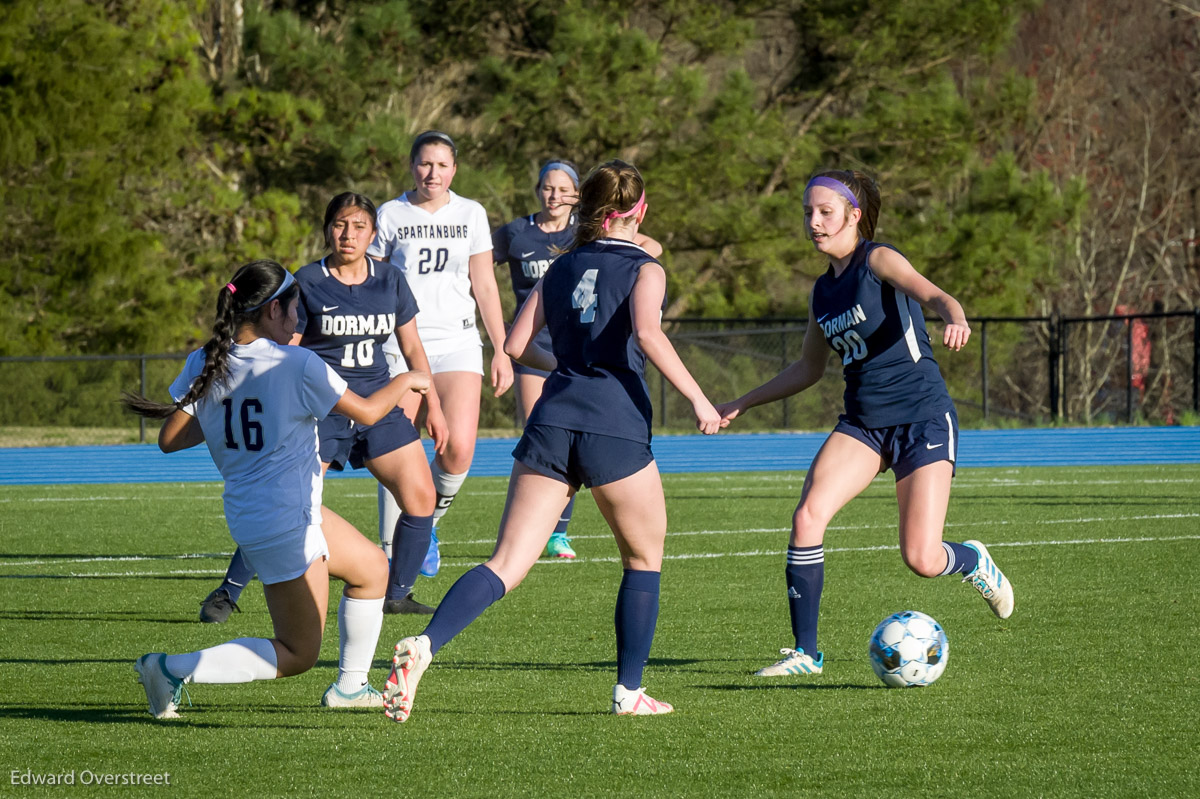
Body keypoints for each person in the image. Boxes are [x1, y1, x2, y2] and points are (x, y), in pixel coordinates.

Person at [381, 159, 725, 723]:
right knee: (642, 558)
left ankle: (426, 644)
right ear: (639, 211)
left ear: (586, 209)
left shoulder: (560, 267)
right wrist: (699, 399)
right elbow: (646, 333)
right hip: (614, 422)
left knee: (507, 562)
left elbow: (516, 346)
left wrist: (566, 362)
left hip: (552, 418)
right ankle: (628, 692)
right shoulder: (647, 268)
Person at [715, 170, 1015, 678]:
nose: (814, 221)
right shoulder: (822, 291)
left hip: (920, 415)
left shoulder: (878, 259)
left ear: (854, 215)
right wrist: (743, 402)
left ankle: (973, 561)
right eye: (808, 212)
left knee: (921, 557)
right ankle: (805, 655)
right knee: (807, 517)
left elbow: (936, 295)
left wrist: (955, 317)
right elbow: (809, 369)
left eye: (825, 212)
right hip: (864, 423)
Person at [123, 260, 431, 718]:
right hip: (285, 520)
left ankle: (350, 687)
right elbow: (366, 413)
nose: (298, 319)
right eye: (294, 309)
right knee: (298, 652)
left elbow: (170, 439)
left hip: (264, 512)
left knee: (370, 567)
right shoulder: (296, 362)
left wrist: (221, 416)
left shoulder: (204, 359)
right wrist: (407, 379)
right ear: (271, 312)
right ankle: (172, 669)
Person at [198, 193, 445, 620]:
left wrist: (433, 407)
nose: (348, 235)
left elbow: (412, 347)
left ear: (373, 233)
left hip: (378, 401)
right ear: (327, 229)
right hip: (322, 406)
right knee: (292, 500)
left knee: (422, 497)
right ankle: (227, 592)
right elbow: (283, 347)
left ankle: (397, 593)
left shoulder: (391, 279)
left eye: (359, 227)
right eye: (339, 225)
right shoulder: (307, 281)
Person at [491, 158, 664, 560]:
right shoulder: (518, 233)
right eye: (547, 187)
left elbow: (648, 247)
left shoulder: (575, 246)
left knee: (556, 437)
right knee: (642, 562)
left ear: (578, 198)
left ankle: (556, 531)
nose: (553, 195)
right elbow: (479, 262)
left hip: (573, 356)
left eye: (563, 188)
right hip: (557, 352)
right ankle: (548, 524)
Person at [370, 130, 513, 580]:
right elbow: (371, 280)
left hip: (458, 341)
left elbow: (485, 285)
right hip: (401, 344)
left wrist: (503, 349)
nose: (433, 173)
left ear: (455, 169)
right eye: (425, 164)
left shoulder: (471, 213)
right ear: (412, 165)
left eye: (442, 165)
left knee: (458, 449)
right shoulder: (390, 214)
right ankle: (395, 549)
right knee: (397, 449)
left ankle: (425, 522)